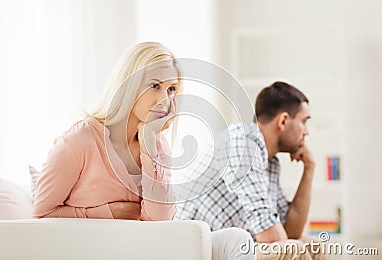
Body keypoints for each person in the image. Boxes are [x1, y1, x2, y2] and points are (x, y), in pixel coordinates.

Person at [33, 42, 255, 260]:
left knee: (237, 239)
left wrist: (150, 144)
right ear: (129, 85)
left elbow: (160, 222)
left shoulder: (157, 145)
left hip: (147, 249)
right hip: (103, 251)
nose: (165, 99)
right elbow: (41, 215)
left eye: (171, 89)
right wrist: (109, 213)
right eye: (154, 86)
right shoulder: (79, 141)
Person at [176, 81, 329, 259]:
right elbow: (271, 237)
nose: (307, 132)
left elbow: (291, 231)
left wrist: (309, 169)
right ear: (284, 121)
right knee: (292, 250)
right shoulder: (243, 144)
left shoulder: (270, 163)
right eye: (304, 122)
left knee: (313, 245)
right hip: (200, 248)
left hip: (231, 247)